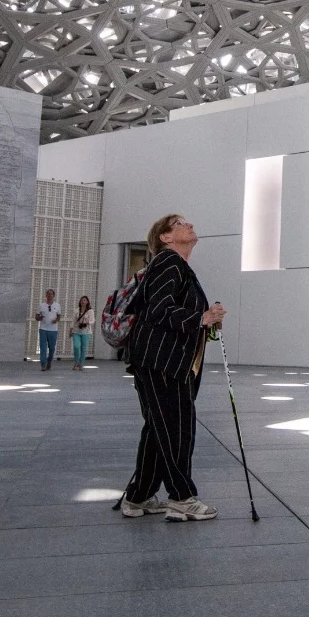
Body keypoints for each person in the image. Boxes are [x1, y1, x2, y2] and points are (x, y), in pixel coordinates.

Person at [120, 213, 227, 522]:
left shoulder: (178, 267)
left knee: (159, 429)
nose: (189, 224)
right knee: (178, 430)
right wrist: (201, 318)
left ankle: (138, 497)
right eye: (179, 223)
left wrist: (207, 322)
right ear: (165, 238)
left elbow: (169, 311)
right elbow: (158, 308)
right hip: (162, 361)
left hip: (160, 361)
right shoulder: (169, 262)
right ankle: (181, 498)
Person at [35, 289, 61, 371]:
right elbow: (36, 317)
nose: (50, 296)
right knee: (43, 347)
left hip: (53, 330)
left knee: (52, 347)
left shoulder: (57, 305)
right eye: (48, 294)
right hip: (43, 329)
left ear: (53, 295)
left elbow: (59, 316)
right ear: (46, 295)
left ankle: (49, 361)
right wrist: (40, 317)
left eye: (51, 294)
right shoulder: (41, 305)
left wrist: (56, 320)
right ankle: (43, 364)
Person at [71, 295, 94, 371]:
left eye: (84, 300)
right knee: (76, 346)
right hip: (76, 331)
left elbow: (93, 320)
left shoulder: (90, 311)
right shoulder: (76, 310)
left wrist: (87, 322)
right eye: (82, 300)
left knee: (83, 348)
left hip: (86, 332)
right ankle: (76, 363)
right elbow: (73, 321)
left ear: (87, 302)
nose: (83, 301)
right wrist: (71, 329)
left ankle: (81, 364)